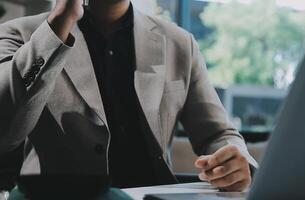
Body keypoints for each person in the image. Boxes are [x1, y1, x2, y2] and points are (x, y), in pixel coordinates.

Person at [0, 0, 258, 194]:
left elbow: (217, 134)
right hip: (58, 195)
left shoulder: (179, 43)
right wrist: (59, 24)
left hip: (153, 193)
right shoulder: (19, 34)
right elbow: (4, 130)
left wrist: (235, 160)